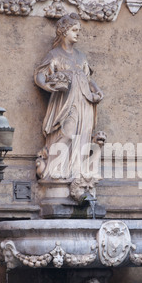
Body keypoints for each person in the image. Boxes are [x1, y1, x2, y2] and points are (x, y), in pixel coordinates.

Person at [34, 13, 104, 181]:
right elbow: (40, 75)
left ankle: (77, 171)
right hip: (65, 102)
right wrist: (47, 85)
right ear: (64, 32)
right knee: (67, 132)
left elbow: (88, 78)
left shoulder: (81, 56)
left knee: (83, 134)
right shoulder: (54, 55)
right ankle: (55, 168)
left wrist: (97, 89)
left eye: (78, 30)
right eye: (74, 30)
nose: (77, 33)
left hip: (85, 101)